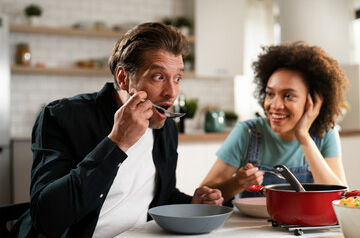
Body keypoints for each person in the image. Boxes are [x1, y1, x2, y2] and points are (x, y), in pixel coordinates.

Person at [11, 22, 223, 238]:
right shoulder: (61, 116)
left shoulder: (165, 127)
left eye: (177, 78)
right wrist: (117, 142)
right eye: (158, 77)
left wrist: (191, 203)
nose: (171, 92)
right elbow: (47, 218)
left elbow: (159, 195)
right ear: (123, 78)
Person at [201, 41, 349, 203]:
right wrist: (237, 183)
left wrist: (303, 136)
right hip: (249, 227)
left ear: (312, 100)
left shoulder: (325, 133)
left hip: (303, 226)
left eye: (288, 96)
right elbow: (205, 194)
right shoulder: (247, 132)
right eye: (270, 94)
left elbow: (340, 198)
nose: (275, 105)